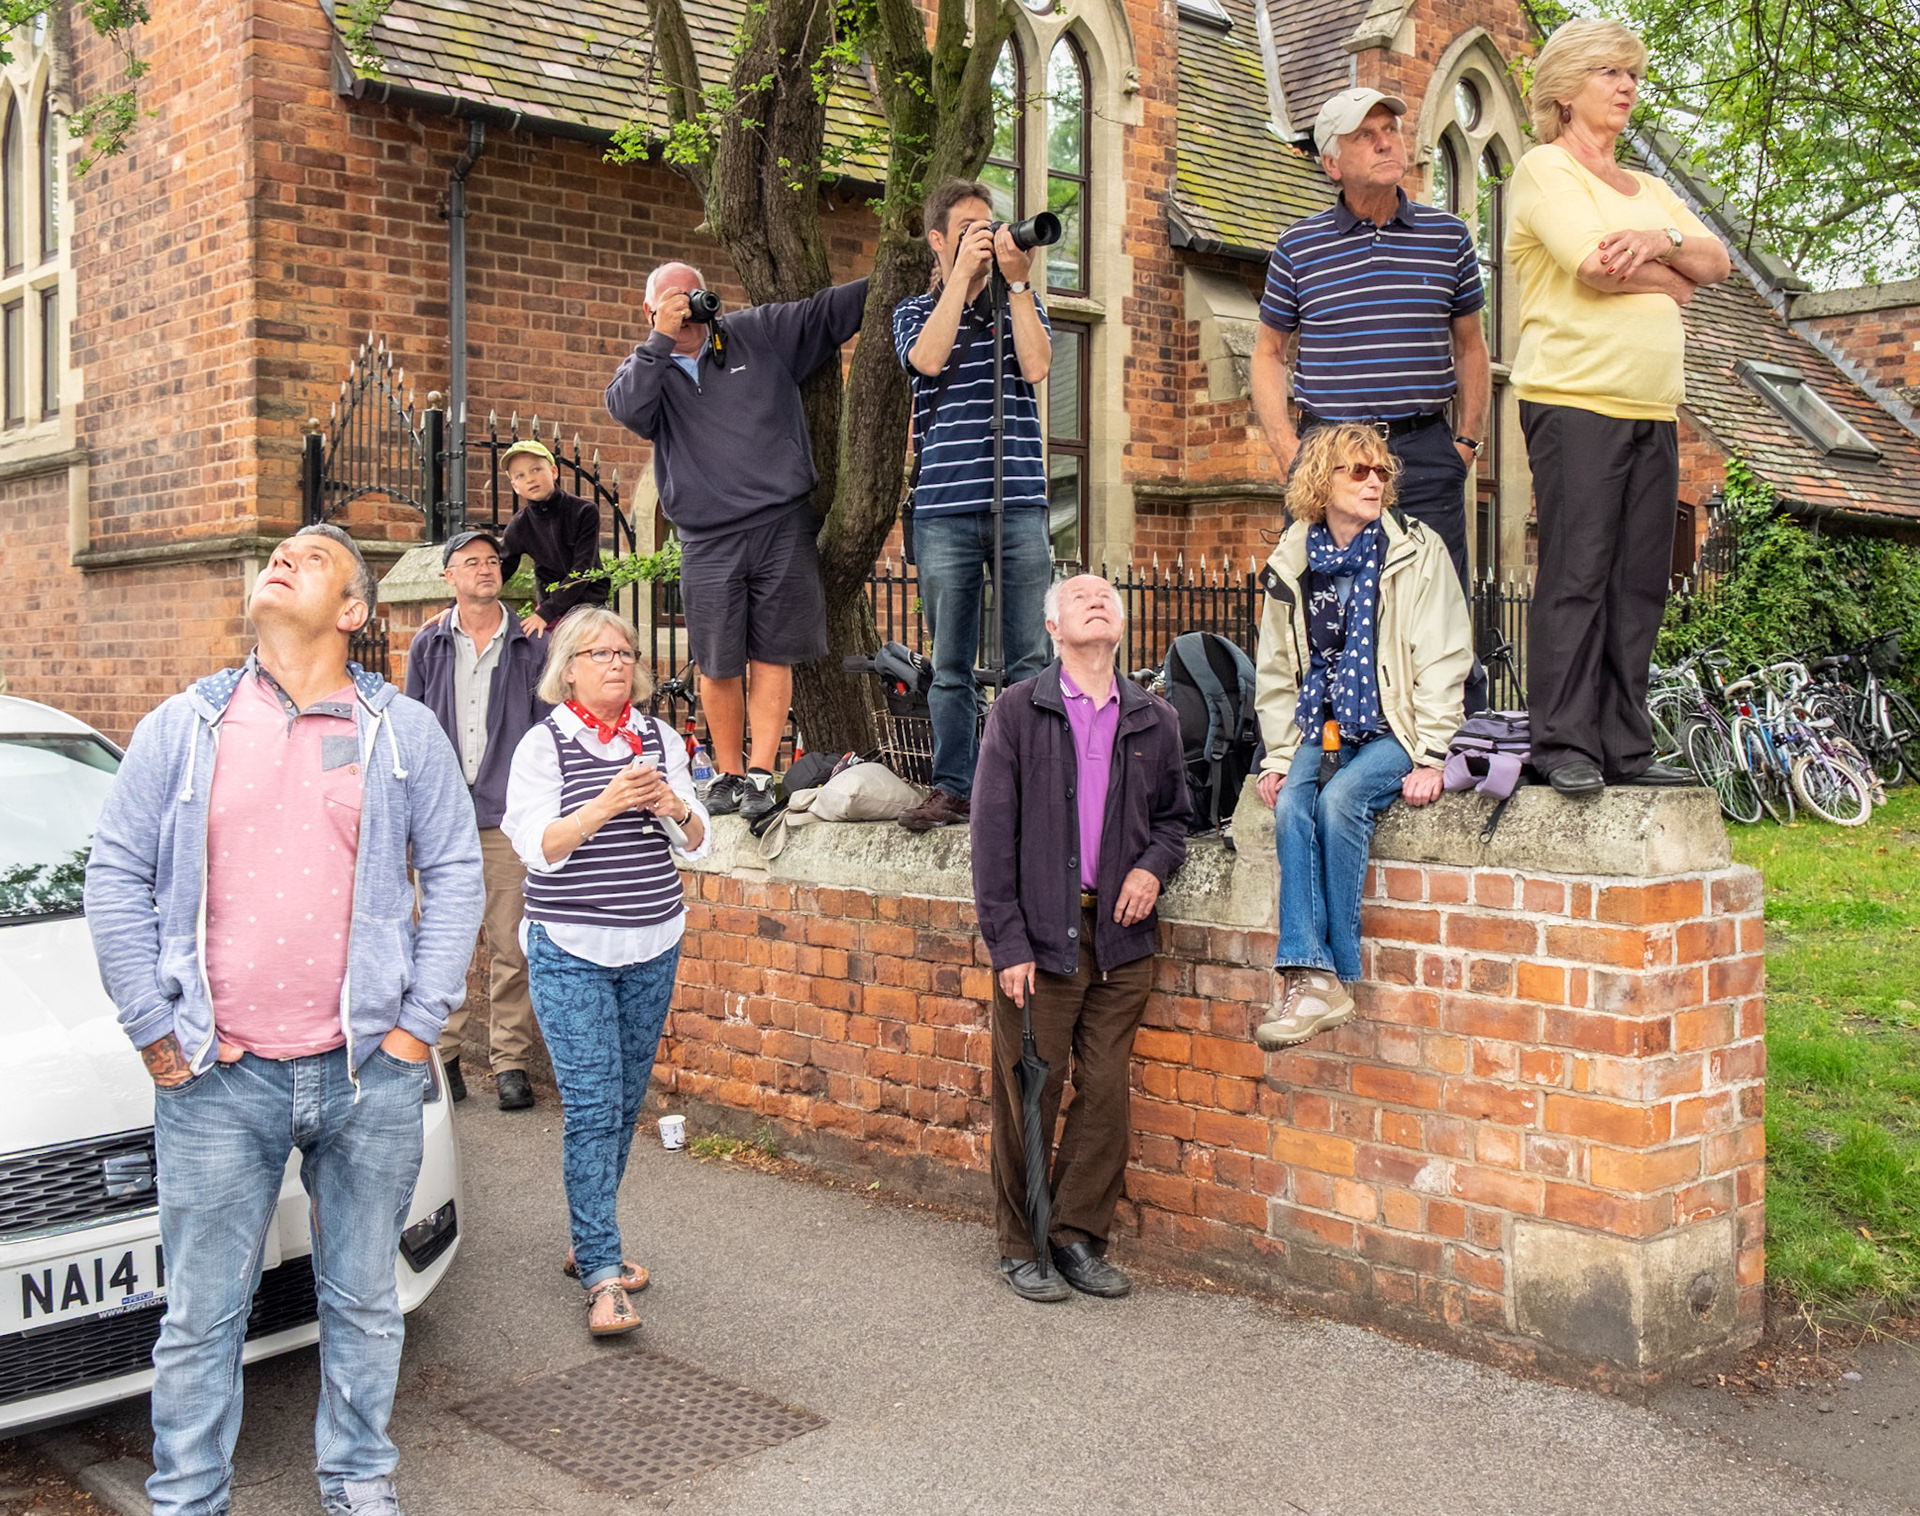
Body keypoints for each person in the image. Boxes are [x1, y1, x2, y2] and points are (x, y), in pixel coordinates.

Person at [83, 524, 485, 1516]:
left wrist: (415, 1026)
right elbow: (115, 875)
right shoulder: (186, 726)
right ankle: (189, 1498)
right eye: (280, 553)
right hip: (221, 1079)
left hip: (367, 1077)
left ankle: (356, 1484)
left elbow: (458, 871)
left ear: (352, 610)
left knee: (362, 1302)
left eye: (313, 556)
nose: (284, 558)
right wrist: (152, 1027)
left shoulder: (401, 732)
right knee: (202, 1315)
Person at [1508, 18, 1730, 794]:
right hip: (1574, 400)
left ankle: (1623, 749)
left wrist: (1659, 235)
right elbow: (1597, 268)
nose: (1628, 87)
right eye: (1611, 72)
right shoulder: (1544, 170)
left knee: (1639, 580)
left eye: (1633, 74)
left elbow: (1718, 261)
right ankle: (1562, 743)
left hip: (1653, 409)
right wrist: (1671, 276)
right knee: (1578, 571)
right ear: (1566, 91)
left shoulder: (1651, 189)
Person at [970, 574, 1190, 1303]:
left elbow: (1174, 821)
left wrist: (1153, 870)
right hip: (1039, 935)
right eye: (1080, 596)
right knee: (1028, 1088)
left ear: (1121, 624)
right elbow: (991, 837)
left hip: (1121, 937)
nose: (1098, 600)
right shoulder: (1018, 711)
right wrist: (1008, 945)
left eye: (1107, 596)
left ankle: (1075, 1236)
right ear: (1054, 626)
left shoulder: (1154, 717)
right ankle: (1021, 1243)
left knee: (1104, 1091)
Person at [501, 606, 709, 1337]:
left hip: (653, 941)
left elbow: (699, 845)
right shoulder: (543, 747)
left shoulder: (659, 738)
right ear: (569, 668)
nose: (617, 662)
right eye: (599, 652)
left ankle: (589, 1234)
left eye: (625, 652)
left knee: (622, 1104)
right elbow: (537, 846)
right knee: (591, 1106)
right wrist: (606, 803)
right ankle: (600, 1272)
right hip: (571, 947)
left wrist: (671, 804)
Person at [1249, 86, 1491, 713]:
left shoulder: (1448, 237)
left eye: (1390, 127)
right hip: (1327, 452)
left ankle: (1455, 743)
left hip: (1424, 446)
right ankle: (1310, 742)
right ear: (1332, 162)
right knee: (1317, 602)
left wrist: (1466, 441)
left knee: (1441, 601)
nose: (1387, 140)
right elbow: (1269, 354)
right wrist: (1287, 449)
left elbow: (1470, 348)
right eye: (1366, 134)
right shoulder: (1298, 247)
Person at [605, 263, 868, 821]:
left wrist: (924, 267)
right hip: (706, 536)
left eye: (692, 296)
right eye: (670, 301)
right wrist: (660, 340)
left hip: (780, 524)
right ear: (648, 311)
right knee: (717, 661)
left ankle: (759, 773)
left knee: (772, 655)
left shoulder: (757, 332)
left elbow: (832, 309)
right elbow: (627, 410)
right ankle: (724, 772)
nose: (687, 309)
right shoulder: (645, 369)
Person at [1251, 425, 1470, 1050]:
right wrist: (1278, 754)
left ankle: (1328, 974)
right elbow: (1278, 667)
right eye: (1357, 471)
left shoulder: (1416, 549)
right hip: (1320, 726)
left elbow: (1444, 653)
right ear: (1323, 483)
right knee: (1293, 801)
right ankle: (1311, 975)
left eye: (1380, 473)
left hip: (1394, 727)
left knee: (1340, 799)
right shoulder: (1293, 562)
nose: (1374, 482)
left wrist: (1432, 752)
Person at [891, 178, 1054, 831]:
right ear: (938, 239)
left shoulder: (1022, 302)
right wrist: (960, 277)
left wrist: (1015, 284)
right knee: (950, 661)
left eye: (989, 226)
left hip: (1018, 501)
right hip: (944, 509)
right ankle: (954, 785)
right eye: (968, 229)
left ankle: (1030, 781)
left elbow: (1039, 368)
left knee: (1029, 659)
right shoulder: (913, 310)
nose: (984, 238)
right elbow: (926, 360)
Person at [405, 527, 550, 1110]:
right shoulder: (428, 644)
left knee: (510, 944)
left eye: (493, 561)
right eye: (472, 562)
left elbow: (544, 734)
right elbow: (413, 728)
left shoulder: (531, 644)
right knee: (443, 943)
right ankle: (443, 1059)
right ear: (450, 577)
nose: (485, 569)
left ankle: (510, 1063)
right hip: (440, 819)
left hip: (503, 817)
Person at [497, 438, 610, 635]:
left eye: (536, 470)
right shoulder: (520, 525)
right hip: (551, 609)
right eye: (521, 475)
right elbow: (499, 570)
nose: (530, 479)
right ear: (515, 486)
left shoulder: (584, 511)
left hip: (588, 606)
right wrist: (454, 607)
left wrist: (545, 613)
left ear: (554, 471)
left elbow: (582, 569)